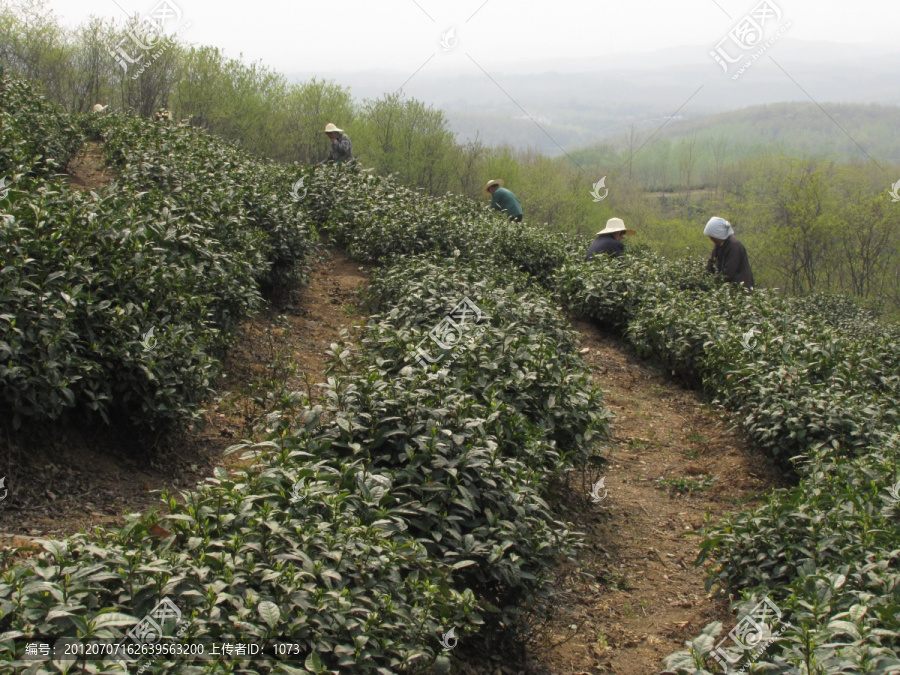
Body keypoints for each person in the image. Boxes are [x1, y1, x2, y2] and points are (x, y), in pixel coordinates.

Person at [704, 216, 754, 290]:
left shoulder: (734, 246)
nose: (711, 239)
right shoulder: (719, 245)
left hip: (740, 289)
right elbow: (712, 261)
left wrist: (712, 282)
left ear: (718, 235)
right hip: (728, 288)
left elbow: (728, 272)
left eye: (712, 237)